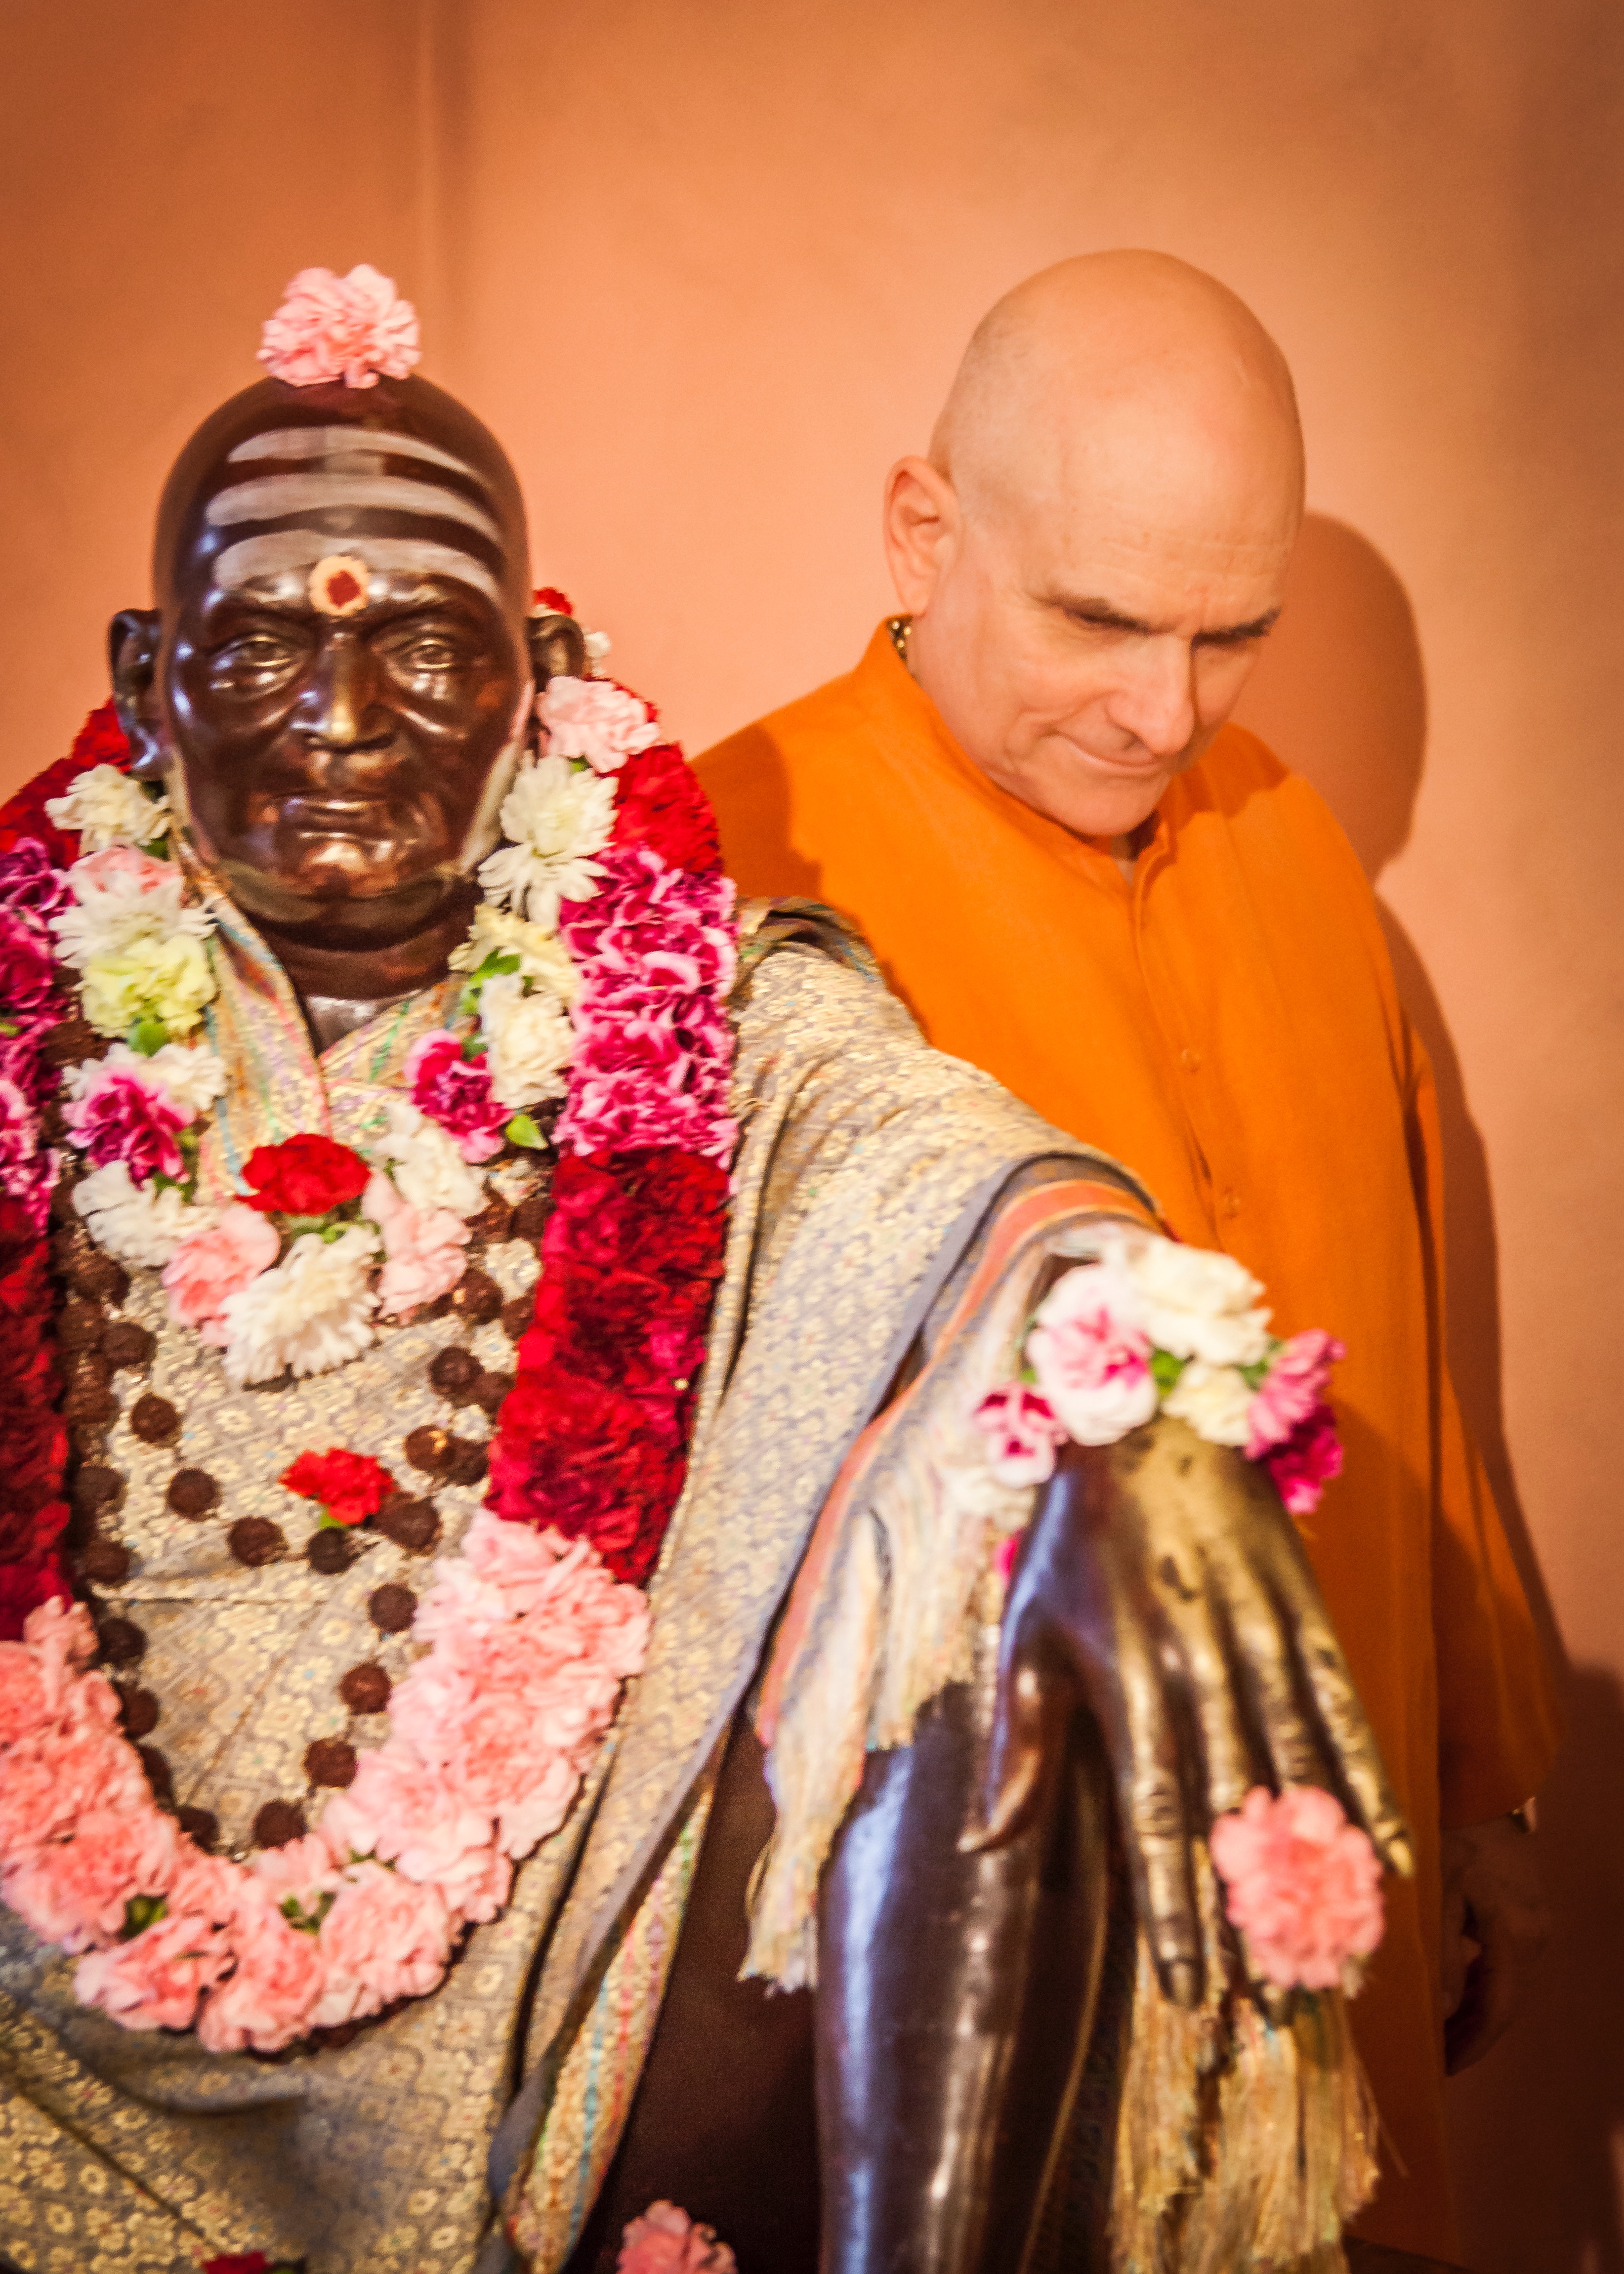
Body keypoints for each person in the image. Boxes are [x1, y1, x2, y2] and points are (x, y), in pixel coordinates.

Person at [0, 267, 1400, 2274]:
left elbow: (904, 1139)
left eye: (421, 653)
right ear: (143, 676)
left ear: (537, 667)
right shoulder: (22, 1018)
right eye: (258, 657)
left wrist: (1123, 1367)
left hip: (545, 1986)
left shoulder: (668, 981)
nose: (337, 726)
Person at [696, 249, 1560, 2266]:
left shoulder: (1284, 834)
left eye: (1227, 633)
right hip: (985, 1964)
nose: (1160, 709)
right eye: (1096, 617)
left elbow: (1406, 1348)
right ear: (922, 528)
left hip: (1338, 1860)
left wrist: (1482, 1785)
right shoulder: (745, 867)